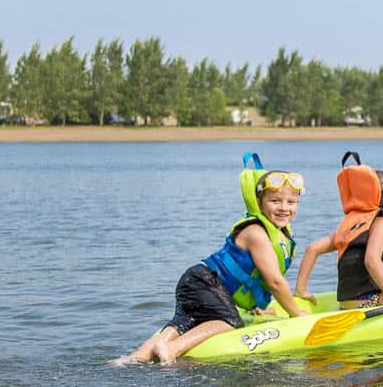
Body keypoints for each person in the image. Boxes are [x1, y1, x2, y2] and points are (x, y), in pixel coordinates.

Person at [111, 153, 312, 365]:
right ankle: (172, 348)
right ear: (260, 204)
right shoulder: (257, 233)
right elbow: (274, 281)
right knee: (231, 321)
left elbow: (249, 278)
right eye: (275, 201)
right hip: (206, 282)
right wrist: (296, 313)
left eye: (291, 202)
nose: (284, 208)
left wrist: (255, 307)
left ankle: (133, 359)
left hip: (195, 279)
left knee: (185, 322)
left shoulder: (269, 231)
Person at [295, 151, 383, 310]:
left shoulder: (352, 225)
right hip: (372, 303)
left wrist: (301, 290)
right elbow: (371, 260)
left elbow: (312, 248)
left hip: (345, 305)